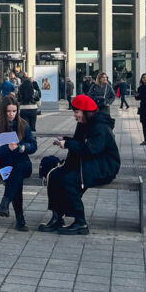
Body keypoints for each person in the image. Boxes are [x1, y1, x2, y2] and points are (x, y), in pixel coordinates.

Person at [39, 94, 120, 235]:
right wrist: (65, 140)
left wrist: (68, 144)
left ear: (85, 111)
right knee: (55, 175)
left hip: (104, 165)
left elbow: (90, 149)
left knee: (69, 181)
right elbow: (79, 142)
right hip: (90, 161)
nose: (75, 116)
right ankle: (57, 217)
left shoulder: (100, 126)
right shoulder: (84, 123)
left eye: (76, 112)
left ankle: (80, 222)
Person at [0, 94, 38, 231]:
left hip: (23, 163)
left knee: (18, 170)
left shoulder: (23, 124)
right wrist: (6, 148)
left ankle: (5, 202)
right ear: (3, 111)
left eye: (14, 111)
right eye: (8, 111)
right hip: (5, 166)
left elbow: (33, 146)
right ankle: (19, 219)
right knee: (16, 177)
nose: (11, 114)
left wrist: (22, 147)